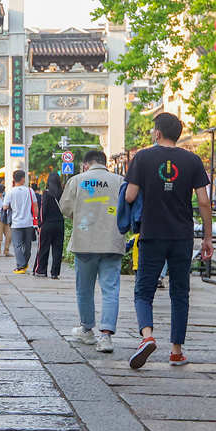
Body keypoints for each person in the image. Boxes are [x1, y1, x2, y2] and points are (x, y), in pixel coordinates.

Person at [124, 112, 213, 369]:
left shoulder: (142, 157)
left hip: (152, 233)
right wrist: (207, 238)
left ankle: (147, 336)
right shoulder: (193, 160)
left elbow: (130, 196)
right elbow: (204, 202)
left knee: (144, 290)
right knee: (180, 292)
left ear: (157, 133)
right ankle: (176, 350)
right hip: (182, 235)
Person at [59, 151, 125, 353]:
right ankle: (106, 337)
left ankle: (87, 330)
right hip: (112, 241)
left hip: (84, 242)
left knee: (84, 288)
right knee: (110, 289)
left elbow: (65, 209)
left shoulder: (78, 180)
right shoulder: (120, 181)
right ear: (105, 163)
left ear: (86, 164)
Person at [3, 170, 38, 274]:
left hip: (16, 223)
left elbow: (5, 207)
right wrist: (36, 218)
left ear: (14, 179)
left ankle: (21, 266)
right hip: (28, 222)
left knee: (17, 245)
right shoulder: (30, 191)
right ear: (23, 179)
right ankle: (24, 263)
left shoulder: (11, 192)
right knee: (27, 245)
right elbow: (35, 206)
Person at [33, 172, 65, 279]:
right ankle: (55, 272)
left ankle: (41, 270)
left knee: (43, 248)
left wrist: (39, 223)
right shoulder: (62, 193)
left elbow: (43, 210)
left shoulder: (46, 193)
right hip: (59, 224)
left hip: (47, 225)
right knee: (57, 249)